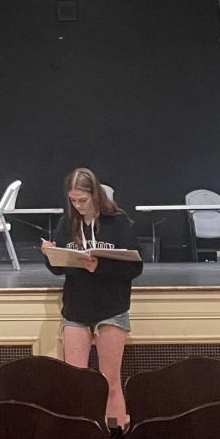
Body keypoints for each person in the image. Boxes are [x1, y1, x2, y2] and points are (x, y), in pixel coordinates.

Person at [41, 167, 142, 425]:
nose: (78, 206)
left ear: (95, 195)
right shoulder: (68, 223)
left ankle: (116, 438)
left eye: (82, 200)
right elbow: (58, 269)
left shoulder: (117, 222)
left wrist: (100, 266)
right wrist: (50, 254)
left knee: (110, 381)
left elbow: (134, 267)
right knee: (77, 381)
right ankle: (81, 436)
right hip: (76, 308)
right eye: (73, 201)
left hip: (111, 307)